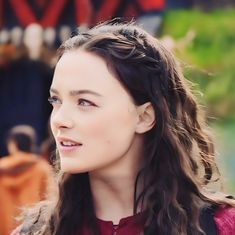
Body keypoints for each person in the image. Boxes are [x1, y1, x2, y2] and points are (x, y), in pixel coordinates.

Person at [11, 21, 235, 235]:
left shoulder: (221, 227)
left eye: (85, 102)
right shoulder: (36, 231)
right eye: (56, 101)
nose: (59, 119)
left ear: (144, 117)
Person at [0, 125, 53, 235]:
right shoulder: (42, 168)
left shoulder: (2, 168)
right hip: (31, 227)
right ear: (31, 144)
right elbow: (49, 198)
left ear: (13, 144)